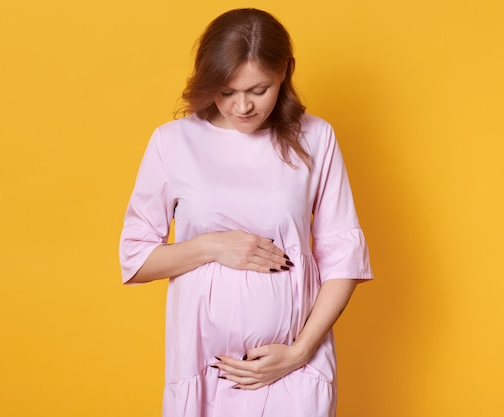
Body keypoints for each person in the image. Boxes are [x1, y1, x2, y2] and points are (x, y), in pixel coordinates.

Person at [119, 8, 373, 417]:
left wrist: (298, 352)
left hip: (292, 366)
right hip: (202, 369)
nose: (242, 107)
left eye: (259, 90)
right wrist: (212, 247)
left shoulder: (316, 138)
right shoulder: (173, 142)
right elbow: (135, 258)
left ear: (285, 72)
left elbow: (344, 259)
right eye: (226, 91)